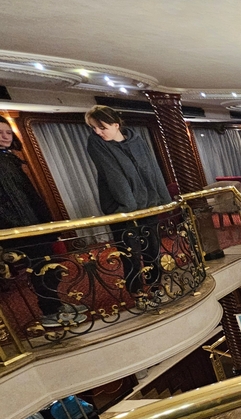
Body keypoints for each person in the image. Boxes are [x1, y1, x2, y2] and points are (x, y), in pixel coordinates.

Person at [0, 119, 86, 328]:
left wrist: (45, 224)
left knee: (49, 268)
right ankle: (50, 313)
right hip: (22, 229)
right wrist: (25, 228)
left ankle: (54, 306)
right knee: (42, 270)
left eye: (7, 132)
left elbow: (28, 197)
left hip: (33, 225)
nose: (5, 136)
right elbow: (9, 203)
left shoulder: (9, 159)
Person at [84, 106, 171, 299]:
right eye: (93, 128)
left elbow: (153, 170)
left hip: (148, 205)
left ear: (116, 125)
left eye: (102, 127)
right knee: (130, 253)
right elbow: (114, 176)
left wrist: (165, 200)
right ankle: (136, 292)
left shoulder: (137, 140)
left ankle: (155, 285)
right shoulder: (96, 143)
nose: (97, 132)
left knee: (152, 248)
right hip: (121, 208)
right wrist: (127, 208)